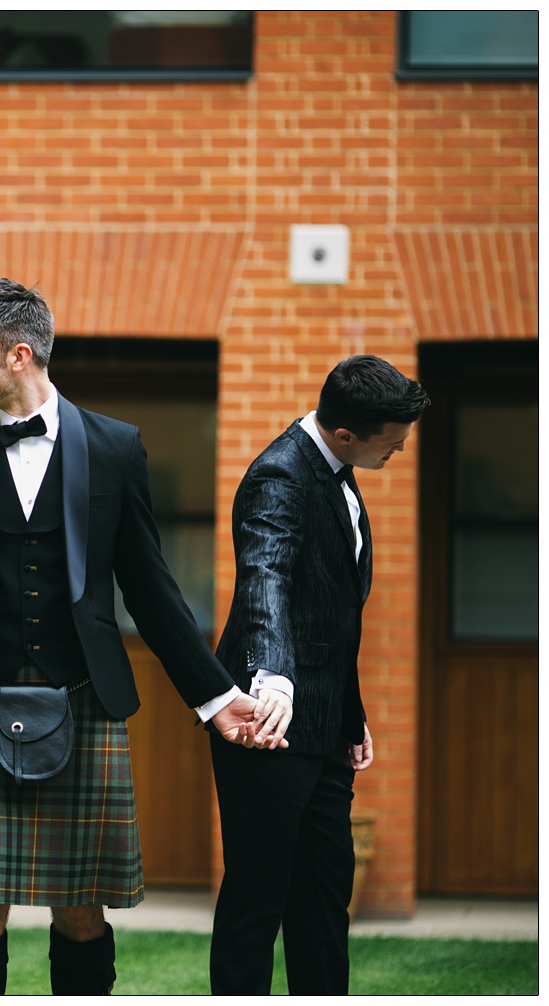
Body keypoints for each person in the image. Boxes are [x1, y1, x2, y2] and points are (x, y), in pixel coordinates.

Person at [0, 278, 285, 996]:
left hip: (85, 701)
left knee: (83, 909)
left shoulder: (115, 447)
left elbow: (152, 590)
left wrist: (218, 699)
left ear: (19, 354)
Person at [208, 355, 429, 994]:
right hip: (265, 723)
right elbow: (266, 580)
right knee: (258, 898)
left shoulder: (338, 468)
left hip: (324, 729)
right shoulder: (281, 475)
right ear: (345, 434)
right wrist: (272, 675)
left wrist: (349, 713)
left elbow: (329, 613)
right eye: (392, 441)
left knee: (325, 900)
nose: (401, 448)